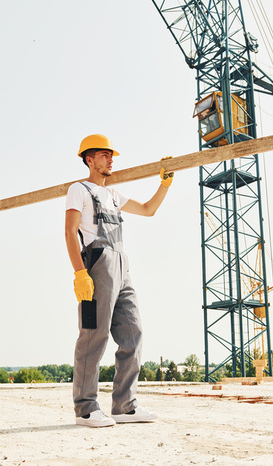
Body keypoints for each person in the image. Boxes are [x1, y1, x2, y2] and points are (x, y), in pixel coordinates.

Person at [64, 134, 173, 428]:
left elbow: (149, 210)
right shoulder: (79, 190)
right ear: (89, 159)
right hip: (97, 262)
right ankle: (85, 409)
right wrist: (79, 272)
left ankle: (124, 406)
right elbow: (69, 232)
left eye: (111, 155)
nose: (111, 159)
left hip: (122, 263)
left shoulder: (113, 195)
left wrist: (164, 184)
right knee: (93, 335)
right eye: (104, 154)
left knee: (133, 332)